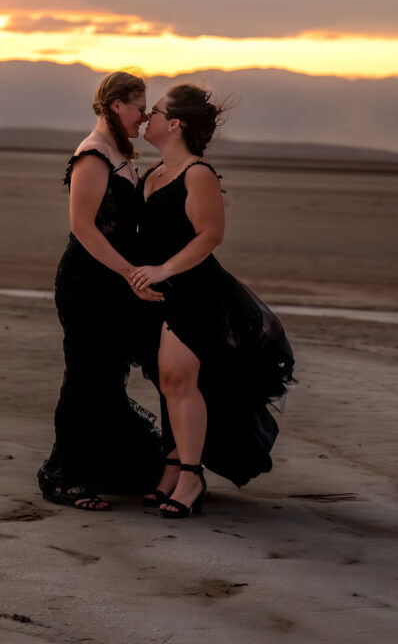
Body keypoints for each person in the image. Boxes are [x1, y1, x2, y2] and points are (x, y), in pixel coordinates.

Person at [130, 84, 296, 519]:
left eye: (155, 111)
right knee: (168, 381)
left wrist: (163, 271)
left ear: (175, 123)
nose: (147, 117)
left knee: (179, 380)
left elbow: (210, 236)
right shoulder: (154, 173)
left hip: (195, 292)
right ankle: (173, 465)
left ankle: (191, 478)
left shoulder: (197, 173)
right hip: (158, 294)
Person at [38, 71, 165, 510]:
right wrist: (131, 273)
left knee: (108, 377)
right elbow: (82, 228)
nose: (144, 117)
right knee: (85, 376)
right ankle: (67, 480)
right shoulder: (92, 155)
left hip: (113, 282)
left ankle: (104, 469)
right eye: (139, 108)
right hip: (86, 283)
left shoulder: (121, 154)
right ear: (116, 105)